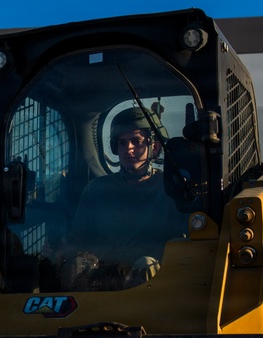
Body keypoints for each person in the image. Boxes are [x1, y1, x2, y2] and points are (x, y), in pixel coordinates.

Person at [63, 106, 189, 289]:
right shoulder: (97, 190)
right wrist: (60, 250)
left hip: (156, 287)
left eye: (136, 142)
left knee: (146, 264)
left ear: (154, 147)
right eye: (122, 143)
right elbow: (78, 239)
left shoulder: (171, 188)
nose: (128, 149)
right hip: (105, 279)